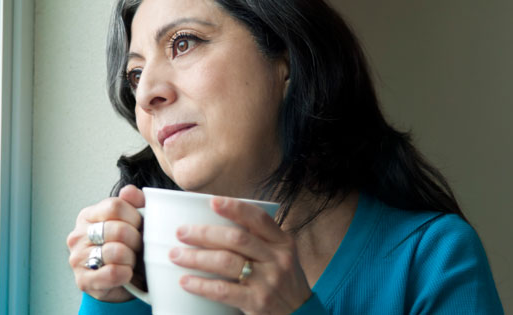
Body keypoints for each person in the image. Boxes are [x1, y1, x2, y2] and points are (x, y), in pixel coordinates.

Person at [66, 0, 504, 313]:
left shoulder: (432, 260)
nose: (146, 94)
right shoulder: (139, 276)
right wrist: (110, 302)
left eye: (184, 43)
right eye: (135, 74)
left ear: (286, 58)